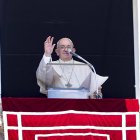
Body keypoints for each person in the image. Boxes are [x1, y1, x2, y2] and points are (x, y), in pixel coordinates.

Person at [36, 36, 108, 99]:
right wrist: (47, 54)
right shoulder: (50, 65)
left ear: (73, 51)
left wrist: (95, 93)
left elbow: (93, 91)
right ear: (57, 52)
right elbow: (42, 78)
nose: (66, 49)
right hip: (57, 105)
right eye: (62, 47)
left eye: (68, 47)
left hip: (80, 107)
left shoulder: (85, 67)